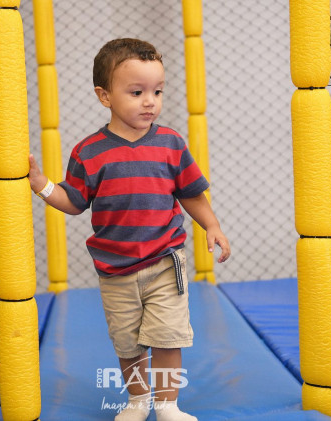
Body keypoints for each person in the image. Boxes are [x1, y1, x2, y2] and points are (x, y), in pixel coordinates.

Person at [29, 38, 230, 421]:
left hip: (165, 261)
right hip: (116, 269)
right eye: (137, 92)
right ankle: (138, 400)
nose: (150, 101)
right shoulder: (89, 151)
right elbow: (74, 201)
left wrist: (212, 224)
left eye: (157, 91)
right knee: (128, 342)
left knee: (168, 336)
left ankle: (168, 405)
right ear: (104, 96)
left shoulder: (170, 143)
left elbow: (191, 192)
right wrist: (42, 185)